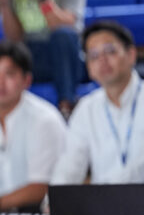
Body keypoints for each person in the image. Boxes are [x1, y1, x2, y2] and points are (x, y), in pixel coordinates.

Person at [0, 41, 67, 211]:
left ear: (27, 80)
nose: (0, 82)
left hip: (41, 213)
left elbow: (43, 186)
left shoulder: (45, 120)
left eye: (9, 74)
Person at [51, 20, 144, 184]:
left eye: (110, 51)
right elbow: (69, 168)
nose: (102, 60)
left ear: (131, 55)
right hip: (104, 199)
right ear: (88, 67)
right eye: (93, 55)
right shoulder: (86, 108)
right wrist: (54, 196)